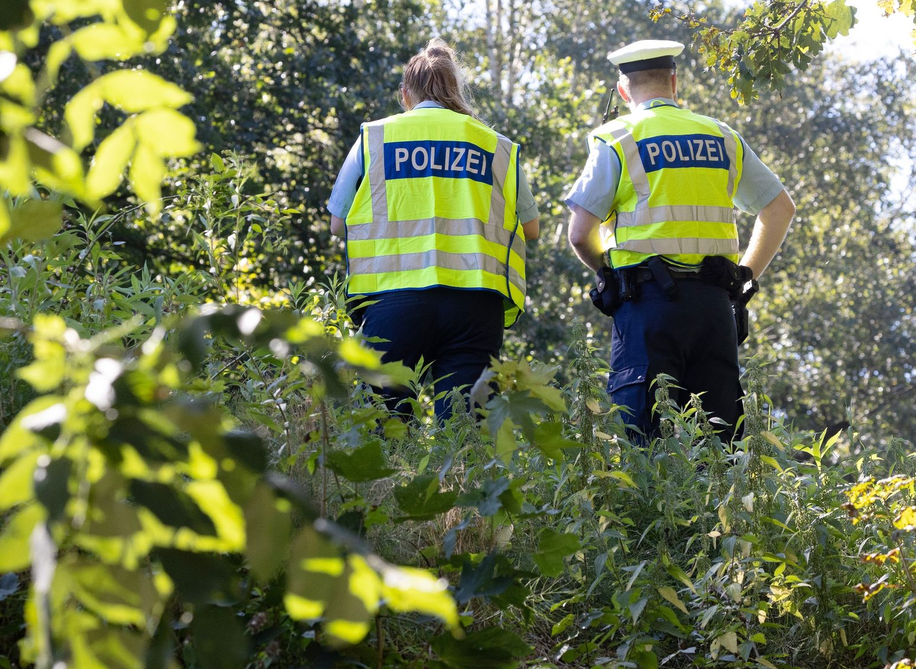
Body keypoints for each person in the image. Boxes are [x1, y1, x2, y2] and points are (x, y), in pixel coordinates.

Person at [564, 39, 796, 439]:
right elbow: (780, 209)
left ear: (623, 90)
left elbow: (580, 235)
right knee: (718, 445)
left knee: (643, 442)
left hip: (646, 307)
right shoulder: (721, 136)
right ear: (674, 82)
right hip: (714, 308)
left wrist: (609, 273)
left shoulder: (617, 138)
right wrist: (744, 277)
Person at [326, 38, 541, 421]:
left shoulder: (375, 137)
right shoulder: (496, 145)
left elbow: (337, 223)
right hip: (475, 304)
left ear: (405, 94)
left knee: (384, 428)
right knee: (465, 428)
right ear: (454, 90)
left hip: (393, 298)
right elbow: (532, 228)